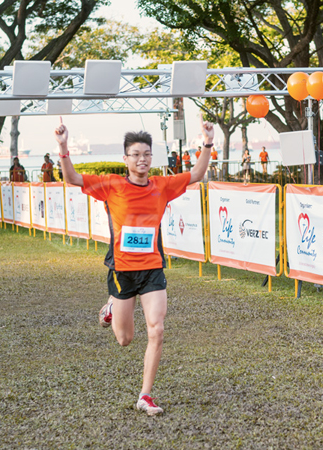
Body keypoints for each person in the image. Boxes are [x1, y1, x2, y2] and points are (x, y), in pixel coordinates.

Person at [54, 115, 213, 416]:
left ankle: (145, 395)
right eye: (136, 154)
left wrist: (207, 142)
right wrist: (63, 146)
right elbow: (72, 178)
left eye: (147, 154)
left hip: (152, 268)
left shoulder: (162, 186)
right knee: (125, 339)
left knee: (157, 329)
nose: (142, 159)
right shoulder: (111, 185)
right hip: (122, 272)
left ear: (152, 158)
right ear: (125, 158)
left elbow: (196, 174)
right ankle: (111, 307)